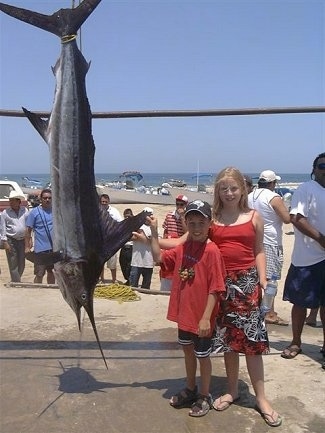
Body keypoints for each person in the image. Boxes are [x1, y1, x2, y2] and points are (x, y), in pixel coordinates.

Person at [158, 168, 282, 427]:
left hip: (247, 283)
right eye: (223, 189)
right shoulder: (211, 218)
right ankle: (232, 390)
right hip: (217, 285)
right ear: (217, 192)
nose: (229, 193)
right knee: (228, 343)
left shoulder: (254, 216)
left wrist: (262, 279)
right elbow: (183, 241)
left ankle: (261, 398)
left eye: (234, 188)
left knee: (252, 343)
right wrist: (151, 240)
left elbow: (258, 250)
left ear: (243, 189)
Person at [148, 200, 226, 417]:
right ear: (185, 224)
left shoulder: (212, 251)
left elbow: (216, 288)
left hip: (201, 316)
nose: (197, 227)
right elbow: (158, 258)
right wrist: (154, 232)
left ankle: (204, 394)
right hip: (184, 314)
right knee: (187, 352)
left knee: (203, 356)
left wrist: (205, 318)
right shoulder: (183, 247)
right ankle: (190, 388)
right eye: (191, 223)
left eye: (201, 222)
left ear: (209, 223)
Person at [281, 152, 325, 362]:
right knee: (299, 302)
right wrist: (321, 239)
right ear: (314, 170)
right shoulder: (305, 189)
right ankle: (296, 341)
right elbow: (296, 218)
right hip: (306, 258)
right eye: (322, 166)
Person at [248, 169, 290, 326]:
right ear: (272, 183)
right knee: (270, 279)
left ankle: (260, 309)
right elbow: (286, 219)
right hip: (270, 241)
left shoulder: (249, 196)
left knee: (257, 276)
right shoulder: (273, 197)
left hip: (253, 239)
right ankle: (270, 313)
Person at [25, 188, 55, 284]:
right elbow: (28, 230)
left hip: (53, 248)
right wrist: (27, 246)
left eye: (49, 198)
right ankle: (37, 290)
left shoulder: (55, 211)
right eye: (45, 198)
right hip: (40, 249)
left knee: (51, 272)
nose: (47, 200)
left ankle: (50, 291)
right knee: (39, 273)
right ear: (41, 199)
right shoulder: (34, 212)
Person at [160, 194, 189, 291]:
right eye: (177, 204)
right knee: (165, 270)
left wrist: (182, 218)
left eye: (182, 204)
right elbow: (165, 230)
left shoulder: (187, 217)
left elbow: (187, 233)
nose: (179, 206)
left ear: (186, 205)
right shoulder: (169, 215)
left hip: (180, 246)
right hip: (168, 245)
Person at [1, 191, 29, 282]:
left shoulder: (24, 210)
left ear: (18, 202)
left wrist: (29, 240)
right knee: (13, 262)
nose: (11, 202)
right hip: (11, 240)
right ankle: (16, 281)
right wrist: (4, 241)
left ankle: (16, 279)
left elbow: (28, 225)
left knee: (22, 262)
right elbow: (3, 228)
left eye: (13, 200)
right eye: (10, 200)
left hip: (22, 240)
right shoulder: (5, 213)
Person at [129, 207, 154, 290]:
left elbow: (157, 240)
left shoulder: (154, 227)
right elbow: (131, 237)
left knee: (146, 288)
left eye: (149, 215)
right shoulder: (137, 226)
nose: (147, 217)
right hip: (136, 261)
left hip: (149, 262)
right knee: (133, 287)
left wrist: (141, 236)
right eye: (145, 215)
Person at [99, 194, 122, 283]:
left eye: (105, 202)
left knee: (112, 262)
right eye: (102, 202)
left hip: (111, 241)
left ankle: (114, 279)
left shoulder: (114, 211)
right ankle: (102, 279)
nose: (104, 203)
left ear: (108, 202)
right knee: (100, 262)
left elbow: (120, 223)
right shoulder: (97, 211)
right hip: (100, 240)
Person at [119, 208, 134, 285]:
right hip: (123, 247)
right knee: (122, 264)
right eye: (126, 216)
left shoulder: (135, 225)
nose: (127, 218)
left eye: (129, 216)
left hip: (131, 247)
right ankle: (128, 279)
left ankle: (130, 280)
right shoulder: (122, 225)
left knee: (129, 266)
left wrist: (126, 237)